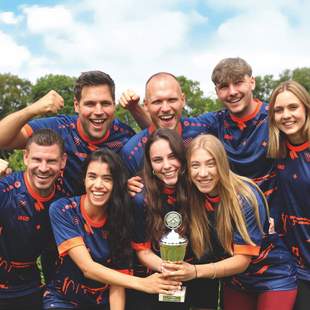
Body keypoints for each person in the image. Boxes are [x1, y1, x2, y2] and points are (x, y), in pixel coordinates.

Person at [163, 134, 297, 310]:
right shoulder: (192, 195)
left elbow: (242, 260)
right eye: (195, 165)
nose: (203, 173)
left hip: (272, 276)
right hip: (235, 281)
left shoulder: (244, 197)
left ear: (222, 164)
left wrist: (194, 272)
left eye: (211, 164)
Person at [43, 148, 181, 310]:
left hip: (102, 302)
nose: (98, 185)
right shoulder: (63, 209)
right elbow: (88, 268)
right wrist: (143, 283)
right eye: (92, 177)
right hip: (63, 300)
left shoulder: (122, 216)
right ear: (84, 179)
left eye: (107, 179)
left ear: (117, 184)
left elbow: (118, 279)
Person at [0, 70, 136, 195]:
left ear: (114, 104)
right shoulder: (58, 127)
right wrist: (32, 109)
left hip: (108, 214)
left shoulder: (125, 135)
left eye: (105, 103)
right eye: (90, 104)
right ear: (76, 106)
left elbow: (154, 147)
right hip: (57, 213)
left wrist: (137, 109)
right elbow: (2, 139)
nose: (99, 112)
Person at [130, 128, 220, 309]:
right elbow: (143, 251)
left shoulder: (198, 184)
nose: (166, 165)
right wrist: (173, 270)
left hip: (199, 277)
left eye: (172, 156)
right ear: (150, 165)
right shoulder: (140, 197)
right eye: (157, 160)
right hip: (158, 280)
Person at [0, 129, 67, 310]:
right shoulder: (5, 190)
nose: (43, 168)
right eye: (37, 159)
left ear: (63, 161)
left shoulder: (63, 202)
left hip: (31, 289)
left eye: (51, 161)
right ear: (26, 158)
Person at [267, 80, 310, 310]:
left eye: (293, 107)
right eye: (279, 110)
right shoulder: (277, 151)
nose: (286, 115)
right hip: (296, 265)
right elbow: (281, 194)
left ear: (306, 108)